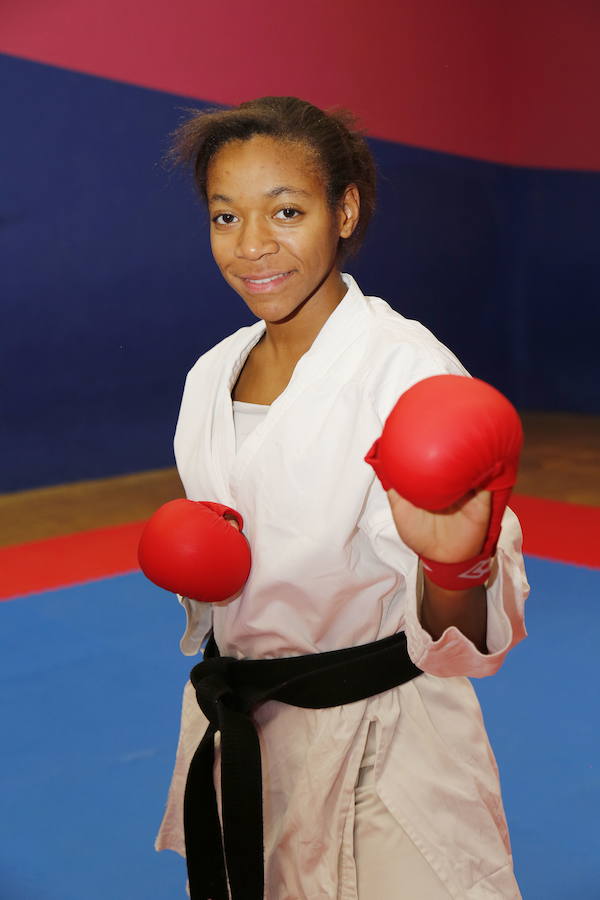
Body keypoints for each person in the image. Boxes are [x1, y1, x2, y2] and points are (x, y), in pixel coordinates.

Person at [154, 96, 529, 899]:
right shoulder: (210, 373)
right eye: (226, 216)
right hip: (253, 735)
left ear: (344, 209)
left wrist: (455, 562)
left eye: (286, 211)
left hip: (385, 751)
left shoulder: (408, 373)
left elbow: (466, 646)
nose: (252, 246)